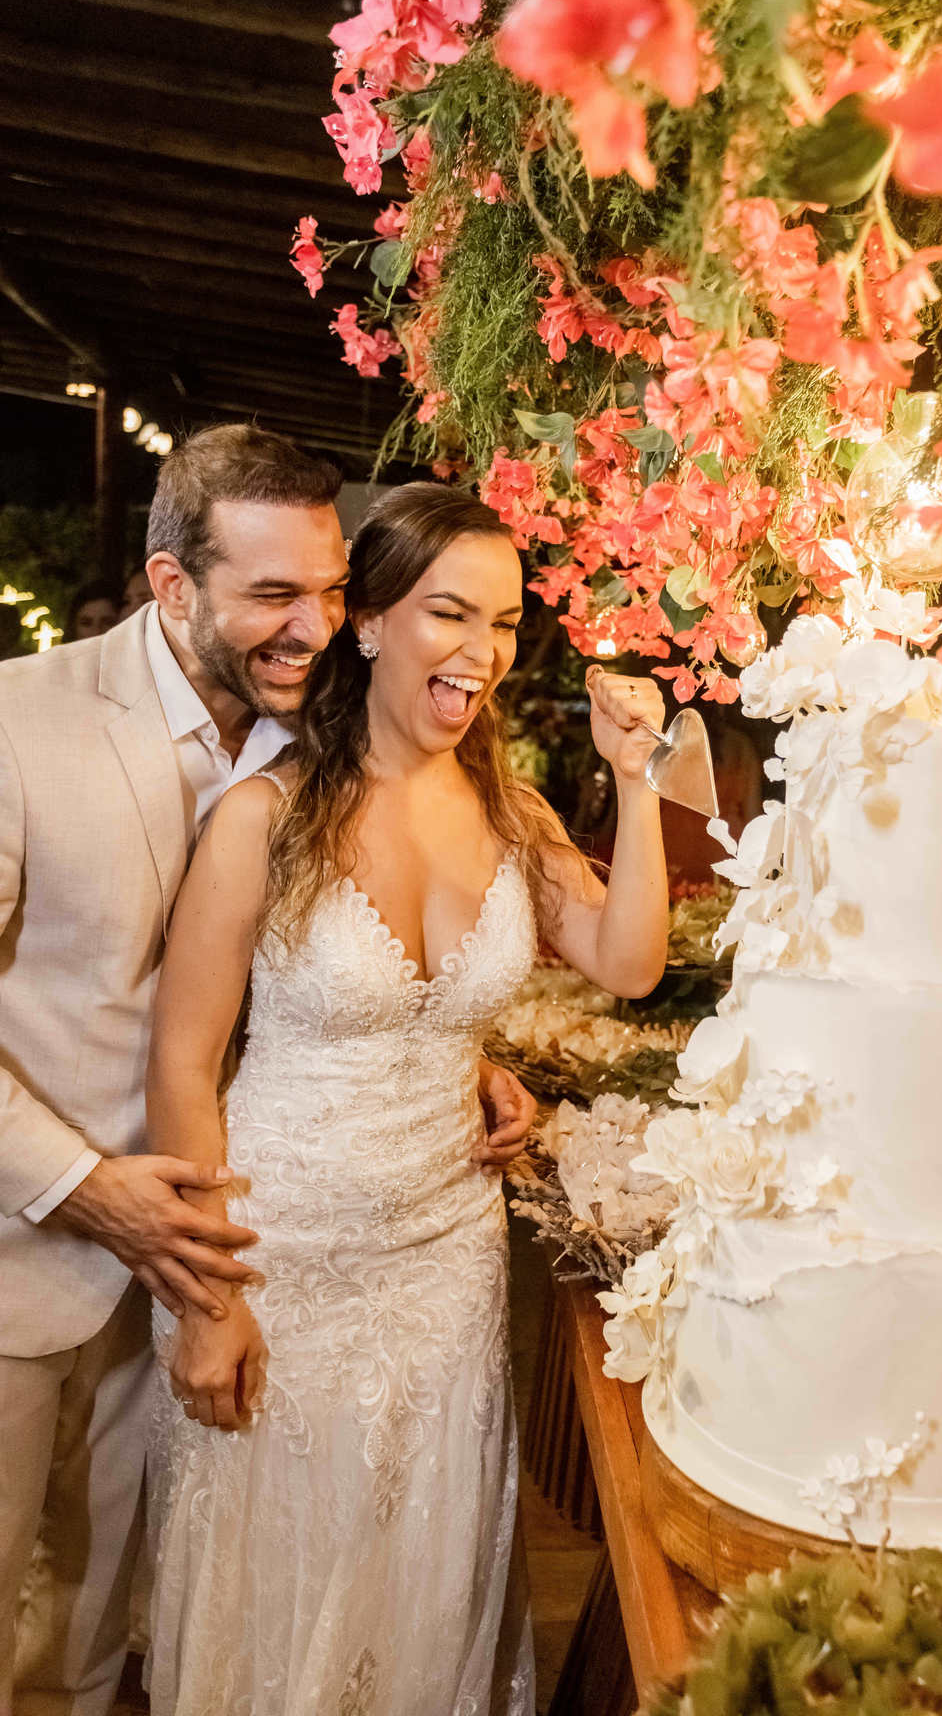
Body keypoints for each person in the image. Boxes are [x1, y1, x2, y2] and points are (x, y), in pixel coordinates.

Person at [0, 426, 534, 1716]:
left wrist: (449, 1054)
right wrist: (83, 1183)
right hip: (25, 1256)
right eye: (274, 597)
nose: (316, 625)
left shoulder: (317, 752)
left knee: (97, 1628)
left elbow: (315, 967)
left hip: (226, 1261)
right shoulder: (20, 724)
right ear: (172, 586)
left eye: (335, 589)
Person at [146, 484, 669, 1716]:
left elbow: (629, 960)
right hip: (285, 1261)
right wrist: (206, 1302)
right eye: (450, 612)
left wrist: (636, 778)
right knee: (277, 1581)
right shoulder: (261, 819)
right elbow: (181, 1065)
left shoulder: (511, 809)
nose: (484, 649)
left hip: (448, 1266)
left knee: (421, 1576)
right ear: (368, 622)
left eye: (504, 620)